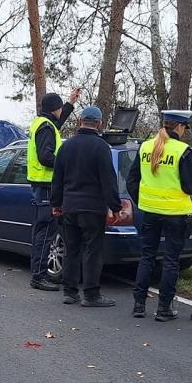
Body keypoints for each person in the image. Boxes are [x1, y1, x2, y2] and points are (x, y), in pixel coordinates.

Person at [128, 110, 192, 321]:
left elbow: (132, 180)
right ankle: (164, 308)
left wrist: (142, 200)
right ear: (179, 127)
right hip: (175, 213)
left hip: (150, 211)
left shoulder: (146, 147)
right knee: (170, 260)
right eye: (185, 128)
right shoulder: (183, 151)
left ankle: (139, 305)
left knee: (147, 257)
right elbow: (190, 187)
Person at [49, 105, 123, 307]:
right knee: (92, 250)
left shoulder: (66, 146)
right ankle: (91, 294)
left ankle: (70, 292)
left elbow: (58, 179)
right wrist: (115, 207)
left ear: (80, 122)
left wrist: (56, 203)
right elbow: (109, 180)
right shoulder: (101, 148)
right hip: (92, 208)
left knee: (72, 249)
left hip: (69, 206)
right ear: (99, 124)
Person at [27, 88, 81, 291]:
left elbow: (57, 123)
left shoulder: (42, 122)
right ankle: (39, 276)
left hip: (41, 185)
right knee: (46, 231)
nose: (61, 112)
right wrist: (66, 163)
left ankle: (38, 274)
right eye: (60, 108)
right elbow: (45, 156)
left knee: (42, 230)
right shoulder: (46, 128)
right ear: (54, 109)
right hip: (46, 186)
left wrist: (70, 103)